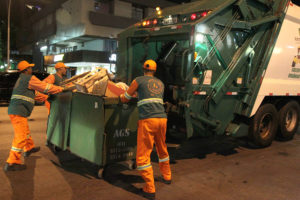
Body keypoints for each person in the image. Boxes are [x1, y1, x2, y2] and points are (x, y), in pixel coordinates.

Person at [119, 60, 171, 200]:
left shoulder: (138, 80)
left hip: (148, 120)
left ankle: (149, 188)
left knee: (143, 156)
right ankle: (167, 176)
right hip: (162, 119)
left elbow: (126, 98)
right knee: (162, 149)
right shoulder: (160, 83)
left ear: (143, 69)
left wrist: (121, 96)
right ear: (154, 70)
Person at [4, 60, 64, 172]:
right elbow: (45, 87)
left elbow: (35, 94)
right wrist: (61, 89)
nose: (32, 70)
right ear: (26, 70)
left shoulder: (22, 80)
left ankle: (29, 148)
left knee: (25, 131)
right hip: (18, 111)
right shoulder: (29, 79)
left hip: (17, 111)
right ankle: (12, 162)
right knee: (20, 136)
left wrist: (47, 98)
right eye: (30, 68)